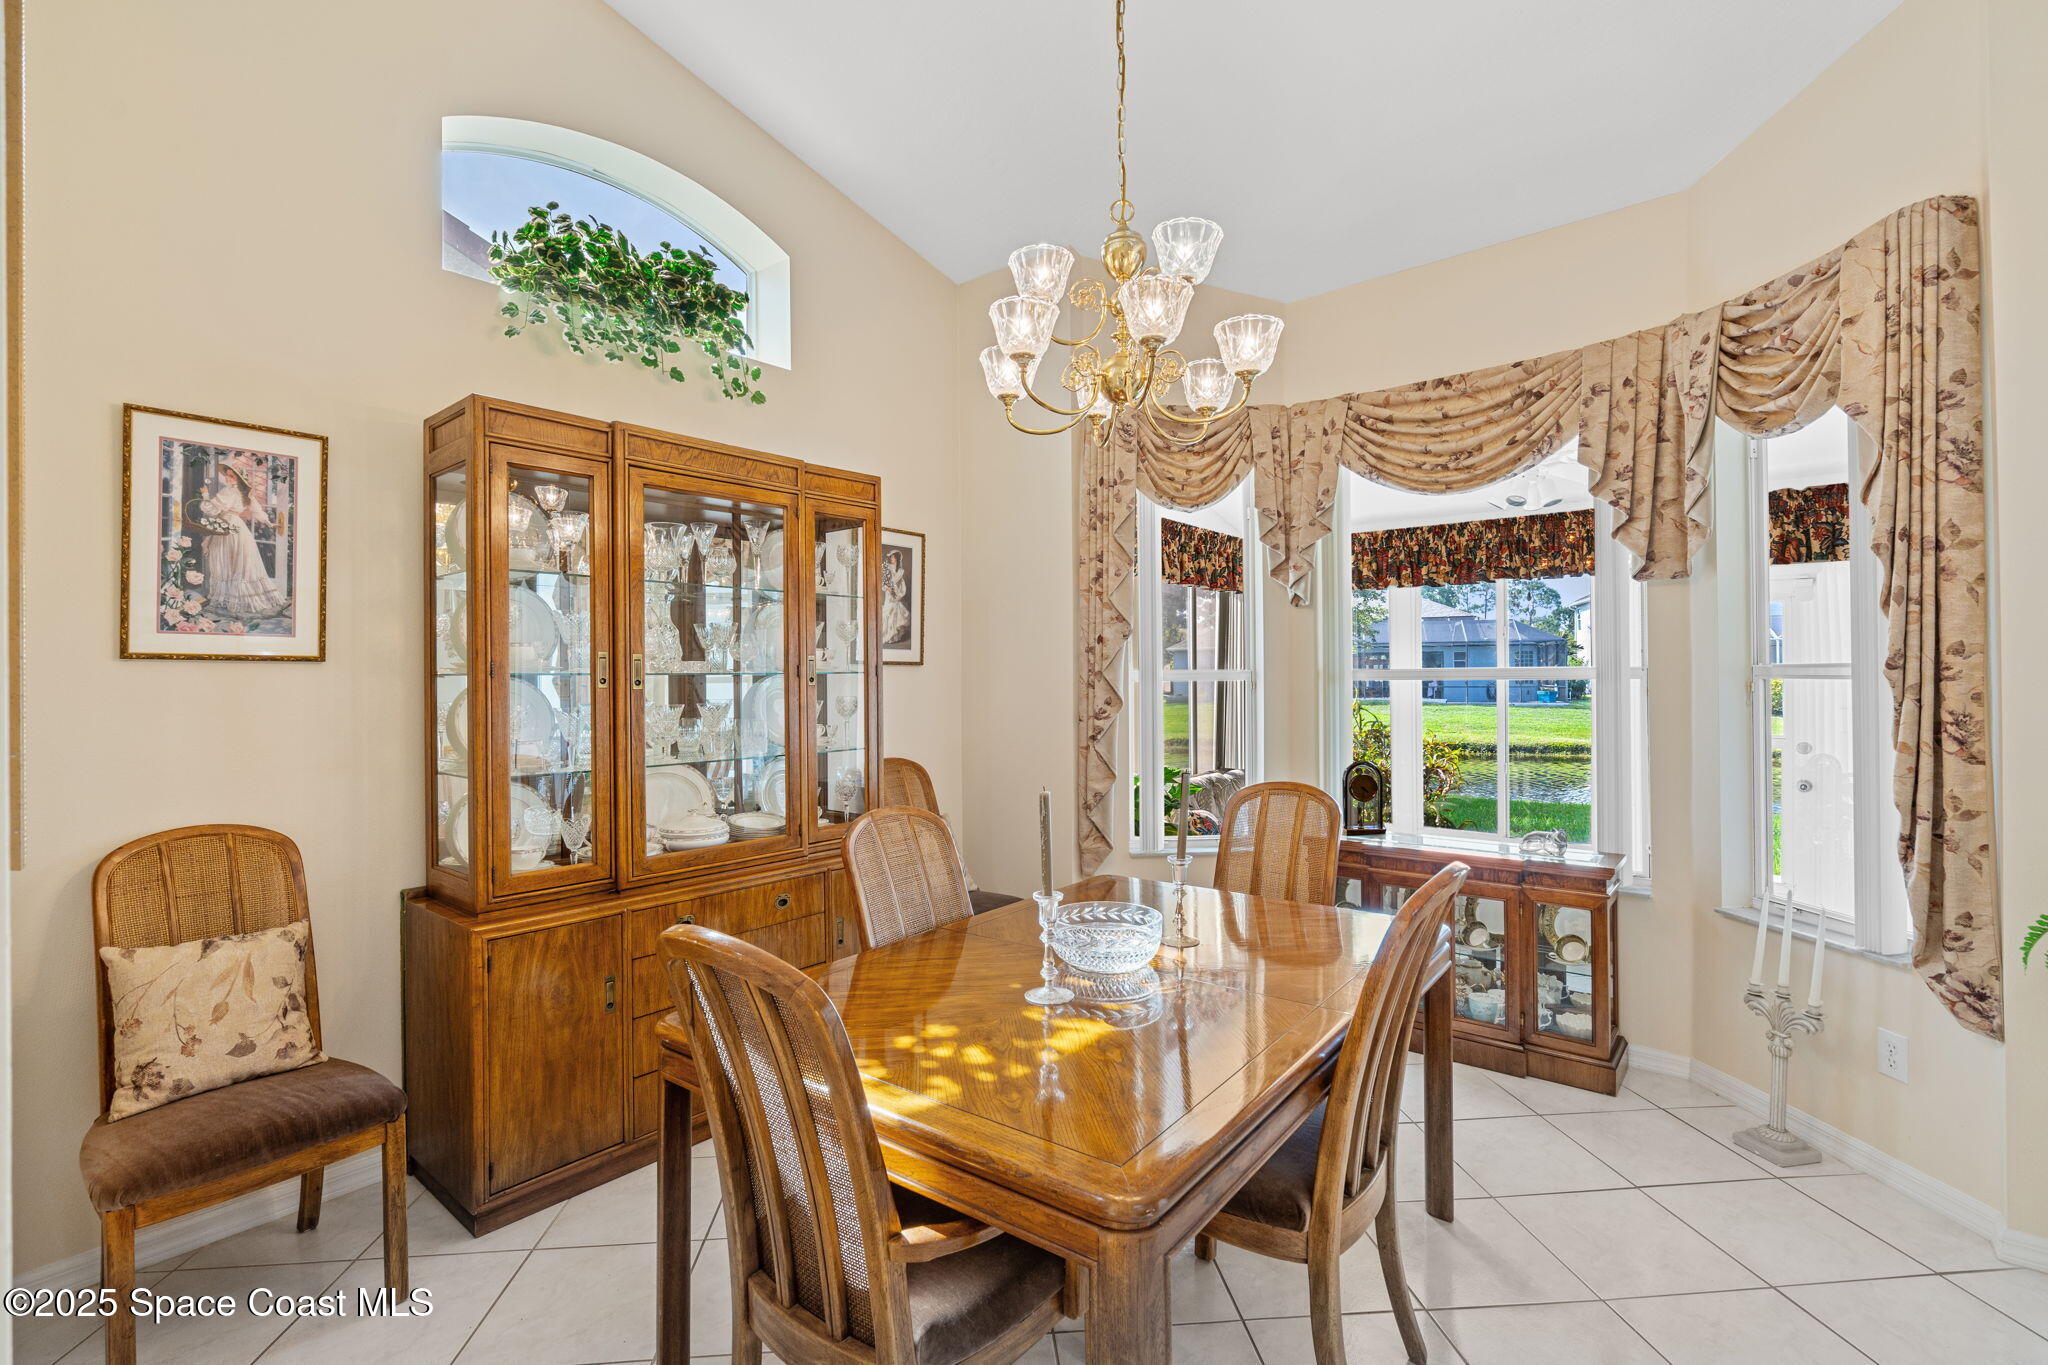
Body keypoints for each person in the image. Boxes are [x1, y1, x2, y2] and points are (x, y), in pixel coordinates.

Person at [191, 462, 287, 620]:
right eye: (227, 475)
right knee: (237, 562)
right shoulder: (245, 493)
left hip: (227, 526)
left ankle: (230, 599)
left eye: (232, 476)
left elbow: (211, 509)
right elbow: (257, 511)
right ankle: (233, 598)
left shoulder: (228, 491)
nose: (228, 478)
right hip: (238, 527)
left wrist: (206, 496)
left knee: (227, 561)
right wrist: (269, 522)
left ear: (239, 478)